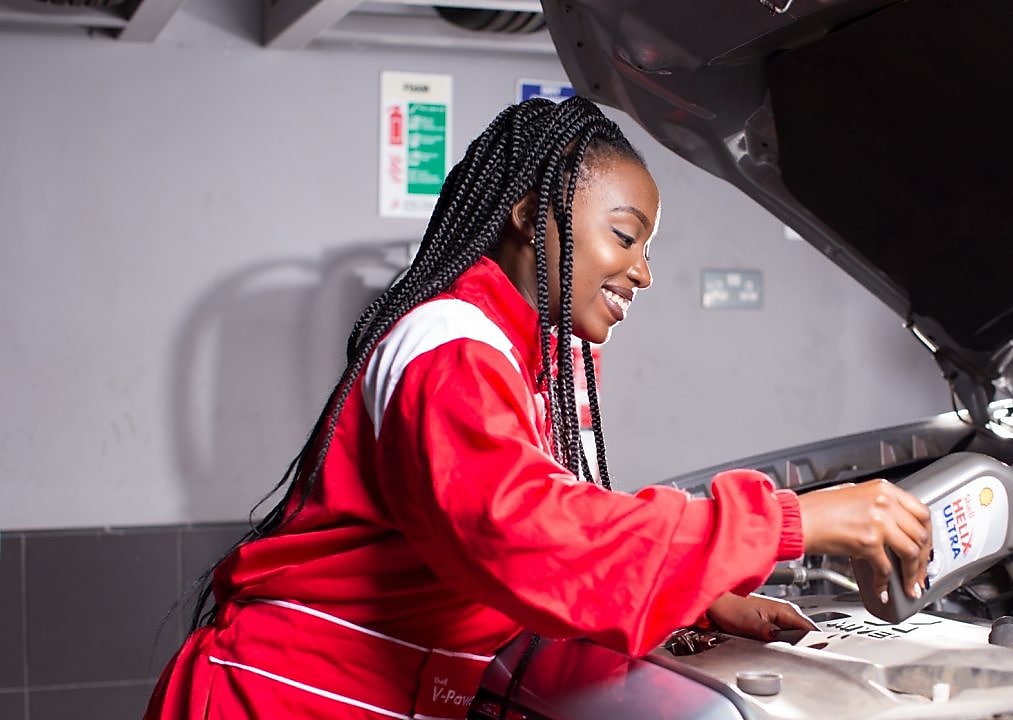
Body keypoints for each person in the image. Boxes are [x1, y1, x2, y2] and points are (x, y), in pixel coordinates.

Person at [145, 96, 932, 719]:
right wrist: (793, 521)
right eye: (624, 236)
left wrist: (694, 599)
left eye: (648, 248)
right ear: (530, 213)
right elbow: (531, 539)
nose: (643, 273)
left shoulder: (525, 358)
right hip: (274, 699)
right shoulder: (454, 349)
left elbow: (548, 549)